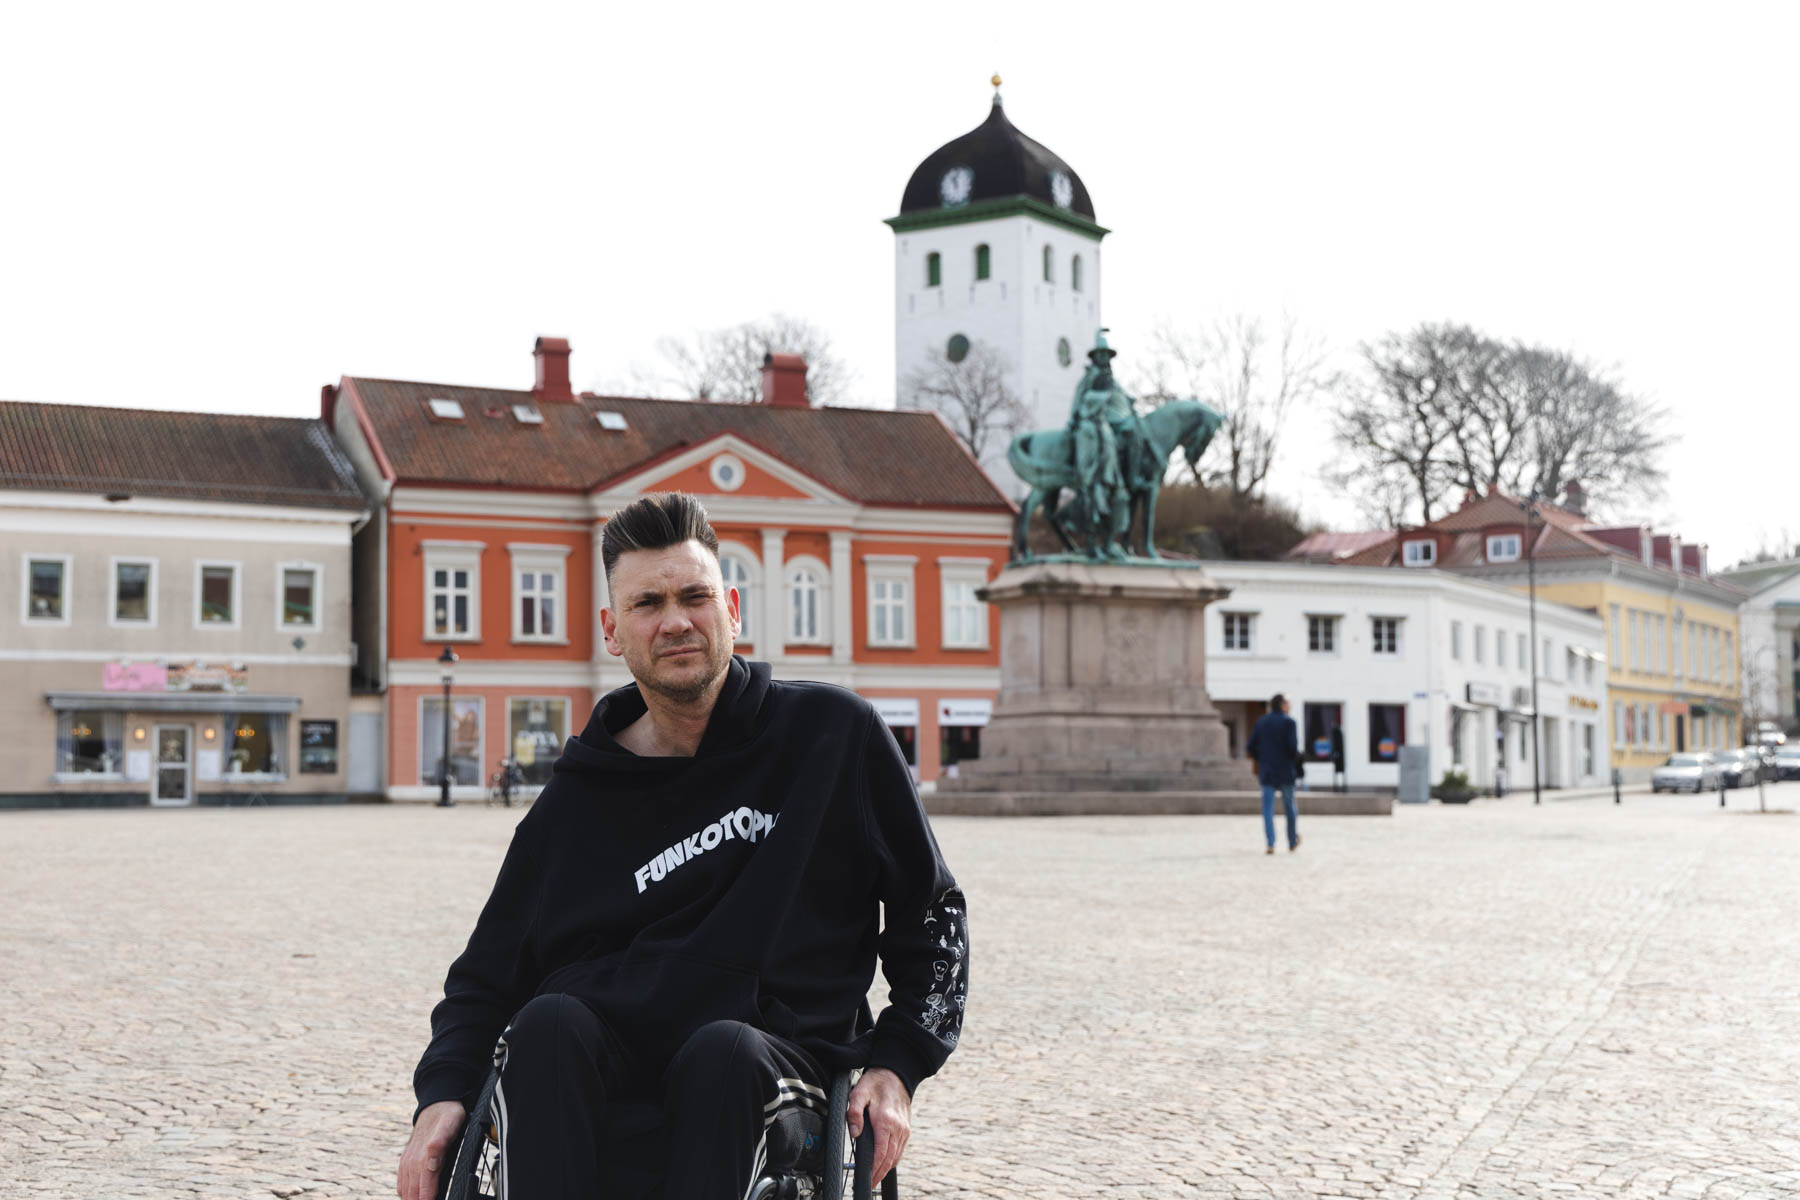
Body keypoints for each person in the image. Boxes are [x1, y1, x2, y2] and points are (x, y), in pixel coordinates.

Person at [397, 493, 968, 1200]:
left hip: (765, 1066)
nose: (675, 621)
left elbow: (933, 918)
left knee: (722, 1055)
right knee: (545, 1027)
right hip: (597, 1067)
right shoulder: (577, 796)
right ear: (613, 630)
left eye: (694, 596)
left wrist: (898, 1064)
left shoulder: (833, 736)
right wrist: (443, 1093)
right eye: (647, 604)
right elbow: (483, 978)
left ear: (732, 607)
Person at [1246, 693, 1302, 854]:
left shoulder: (1261, 722)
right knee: (1290, 808)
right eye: (1288, 703)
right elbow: (1293, 748)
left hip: (1267, 771)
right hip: (1285, 771)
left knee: (1267, 809)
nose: (1290, 705)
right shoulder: (1289, 722)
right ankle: (1292, 841)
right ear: (1283, 705)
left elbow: (1250, 747)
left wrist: (1262, 760)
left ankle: (1270, 843)